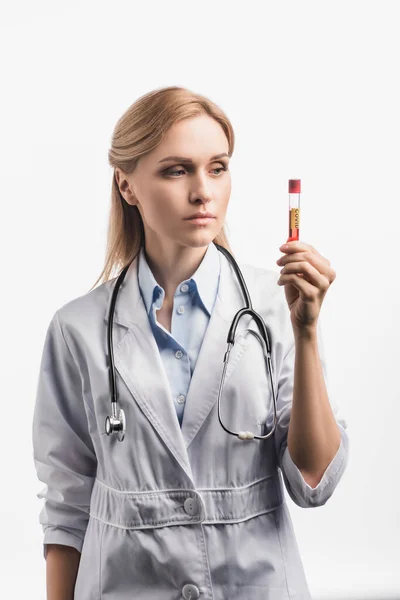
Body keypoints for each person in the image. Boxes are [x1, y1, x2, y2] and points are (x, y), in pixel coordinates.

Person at [32, 85, 349, 600]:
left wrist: (306, 332)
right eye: (176, 170)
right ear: (127, 185)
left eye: (217, 168)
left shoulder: (276, 308)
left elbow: (313, 480)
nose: (203, 191)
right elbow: (68, 508)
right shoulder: (77, 330)